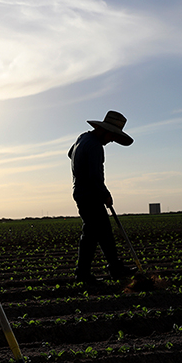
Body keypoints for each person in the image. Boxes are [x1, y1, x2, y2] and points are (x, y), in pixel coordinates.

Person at [68, 110, 138, 284]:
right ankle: (91, 272)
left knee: (97, 233)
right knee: (97, 232)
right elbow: (95, 175)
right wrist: (105, 194)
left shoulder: (83, 138)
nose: (112, 140)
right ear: (103, 130)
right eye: (112, 135)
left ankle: (108, 268)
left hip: (81, 192)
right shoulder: (95, 146)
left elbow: (70, 154)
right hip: (90, 193)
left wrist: (79, 167)